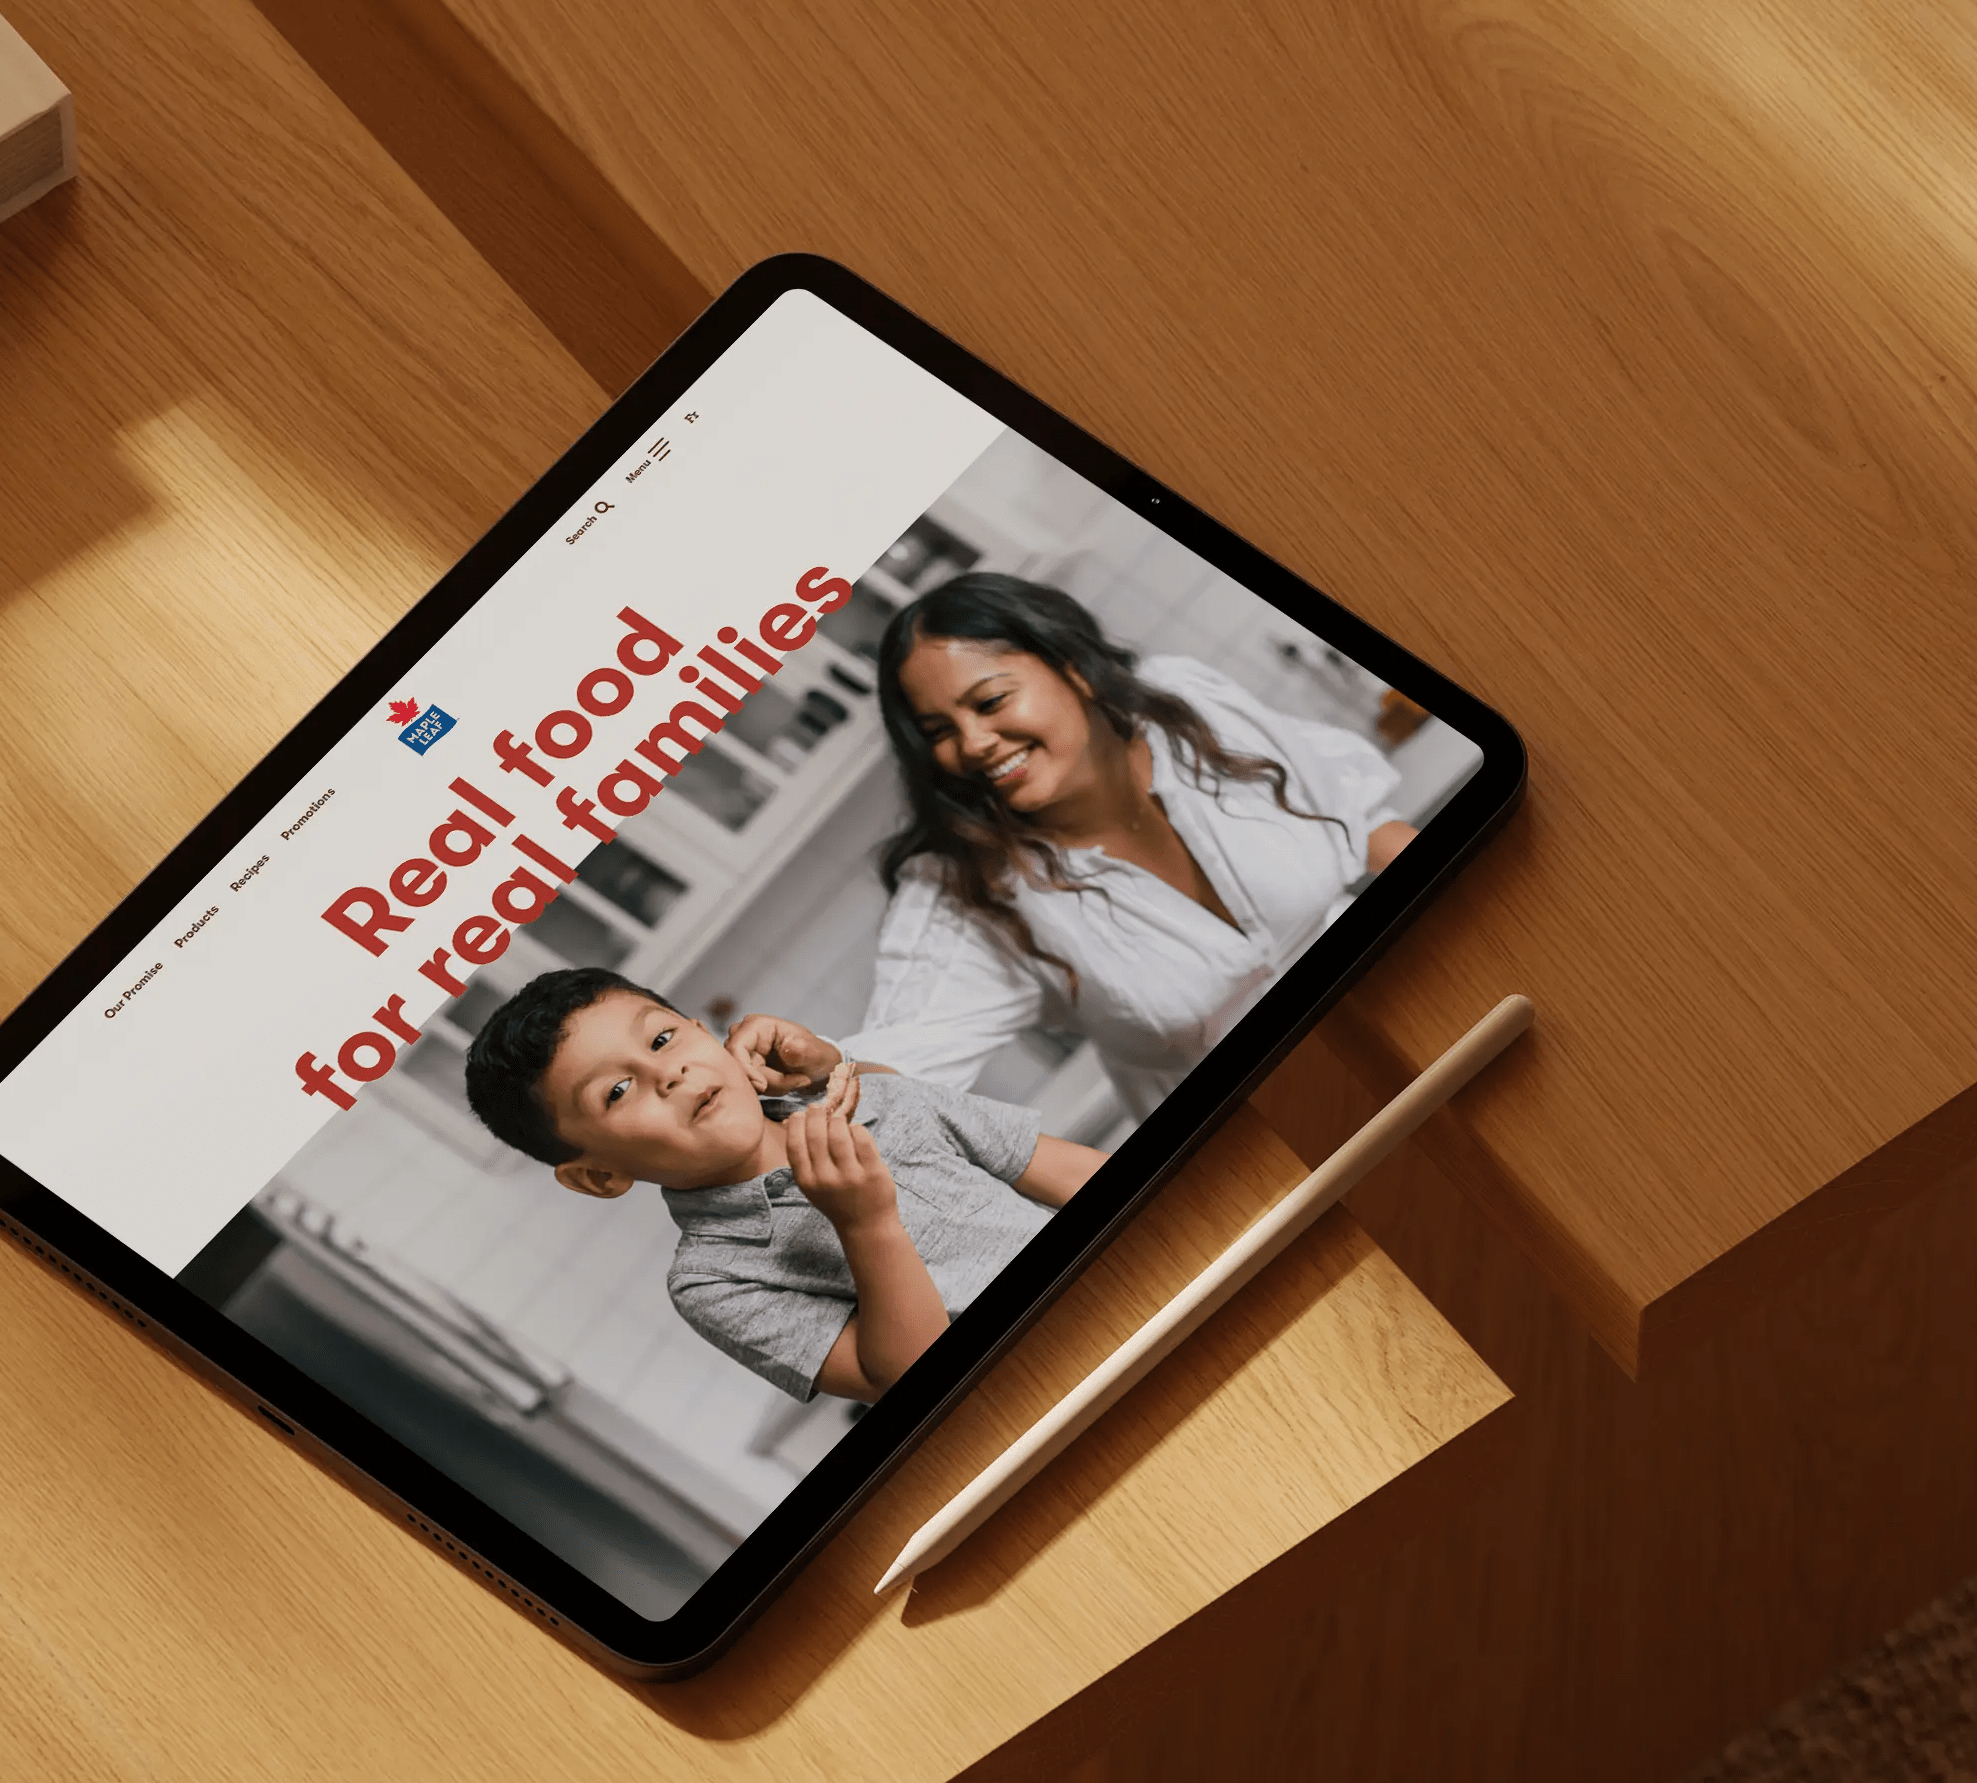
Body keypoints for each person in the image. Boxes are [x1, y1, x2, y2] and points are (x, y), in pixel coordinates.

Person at [727, 573, 1416, 1125]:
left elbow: (1360, 819)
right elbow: (908, 1058)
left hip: (1409, 1020)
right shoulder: (969, 884)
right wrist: (821, 1067)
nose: (971, 744)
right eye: (939, 729)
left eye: (991, 701)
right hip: (1260, 1140)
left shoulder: (1183, 704)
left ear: (1074, 669)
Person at [462, 968, 1106, 1403]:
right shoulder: (711, 1281)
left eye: (662, 1037)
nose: (669, 1073)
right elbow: (911, 1382)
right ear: (600, 1175)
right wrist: (866, 1224)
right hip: (1032, 1398)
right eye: (618, 1091)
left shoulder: (875, 1095)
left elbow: (1078, 1176)